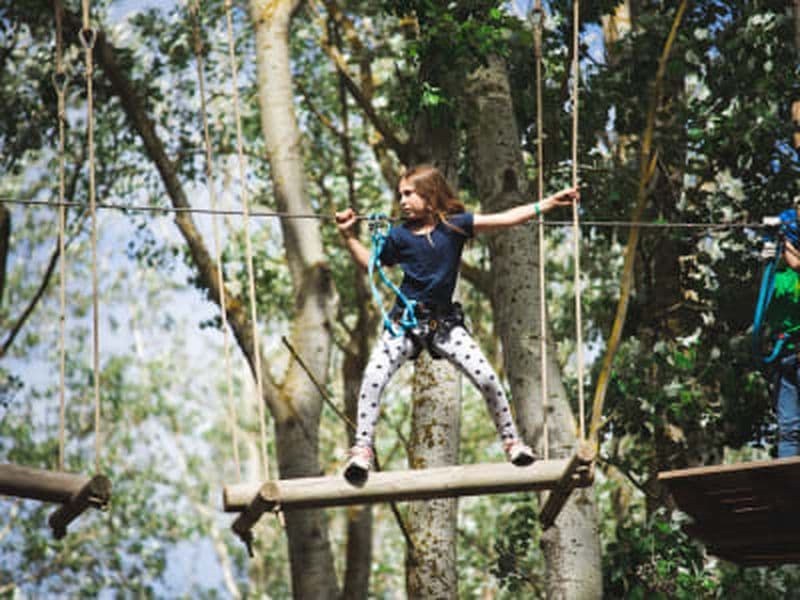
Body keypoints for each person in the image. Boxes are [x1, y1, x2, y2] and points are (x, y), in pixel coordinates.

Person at [335, 164, 579, 485]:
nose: (403, 201)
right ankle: (362, 451)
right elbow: (371, 264)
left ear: (430, 193)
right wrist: (347, 236)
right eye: (400, 195)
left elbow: (504, 219)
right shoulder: (398, 235)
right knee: (373, 378)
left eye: (409, 193)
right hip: (405, 322)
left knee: (489, 378)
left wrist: (545, 204)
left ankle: (512, 442)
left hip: (444, 323)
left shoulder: (454, 226)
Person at [761, 207, 800, 458]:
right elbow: (766, 298)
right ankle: (791, 488)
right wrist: (770, 250)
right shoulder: (780, 273)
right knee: (789, 430)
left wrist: (786, 242)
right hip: (784, 354)